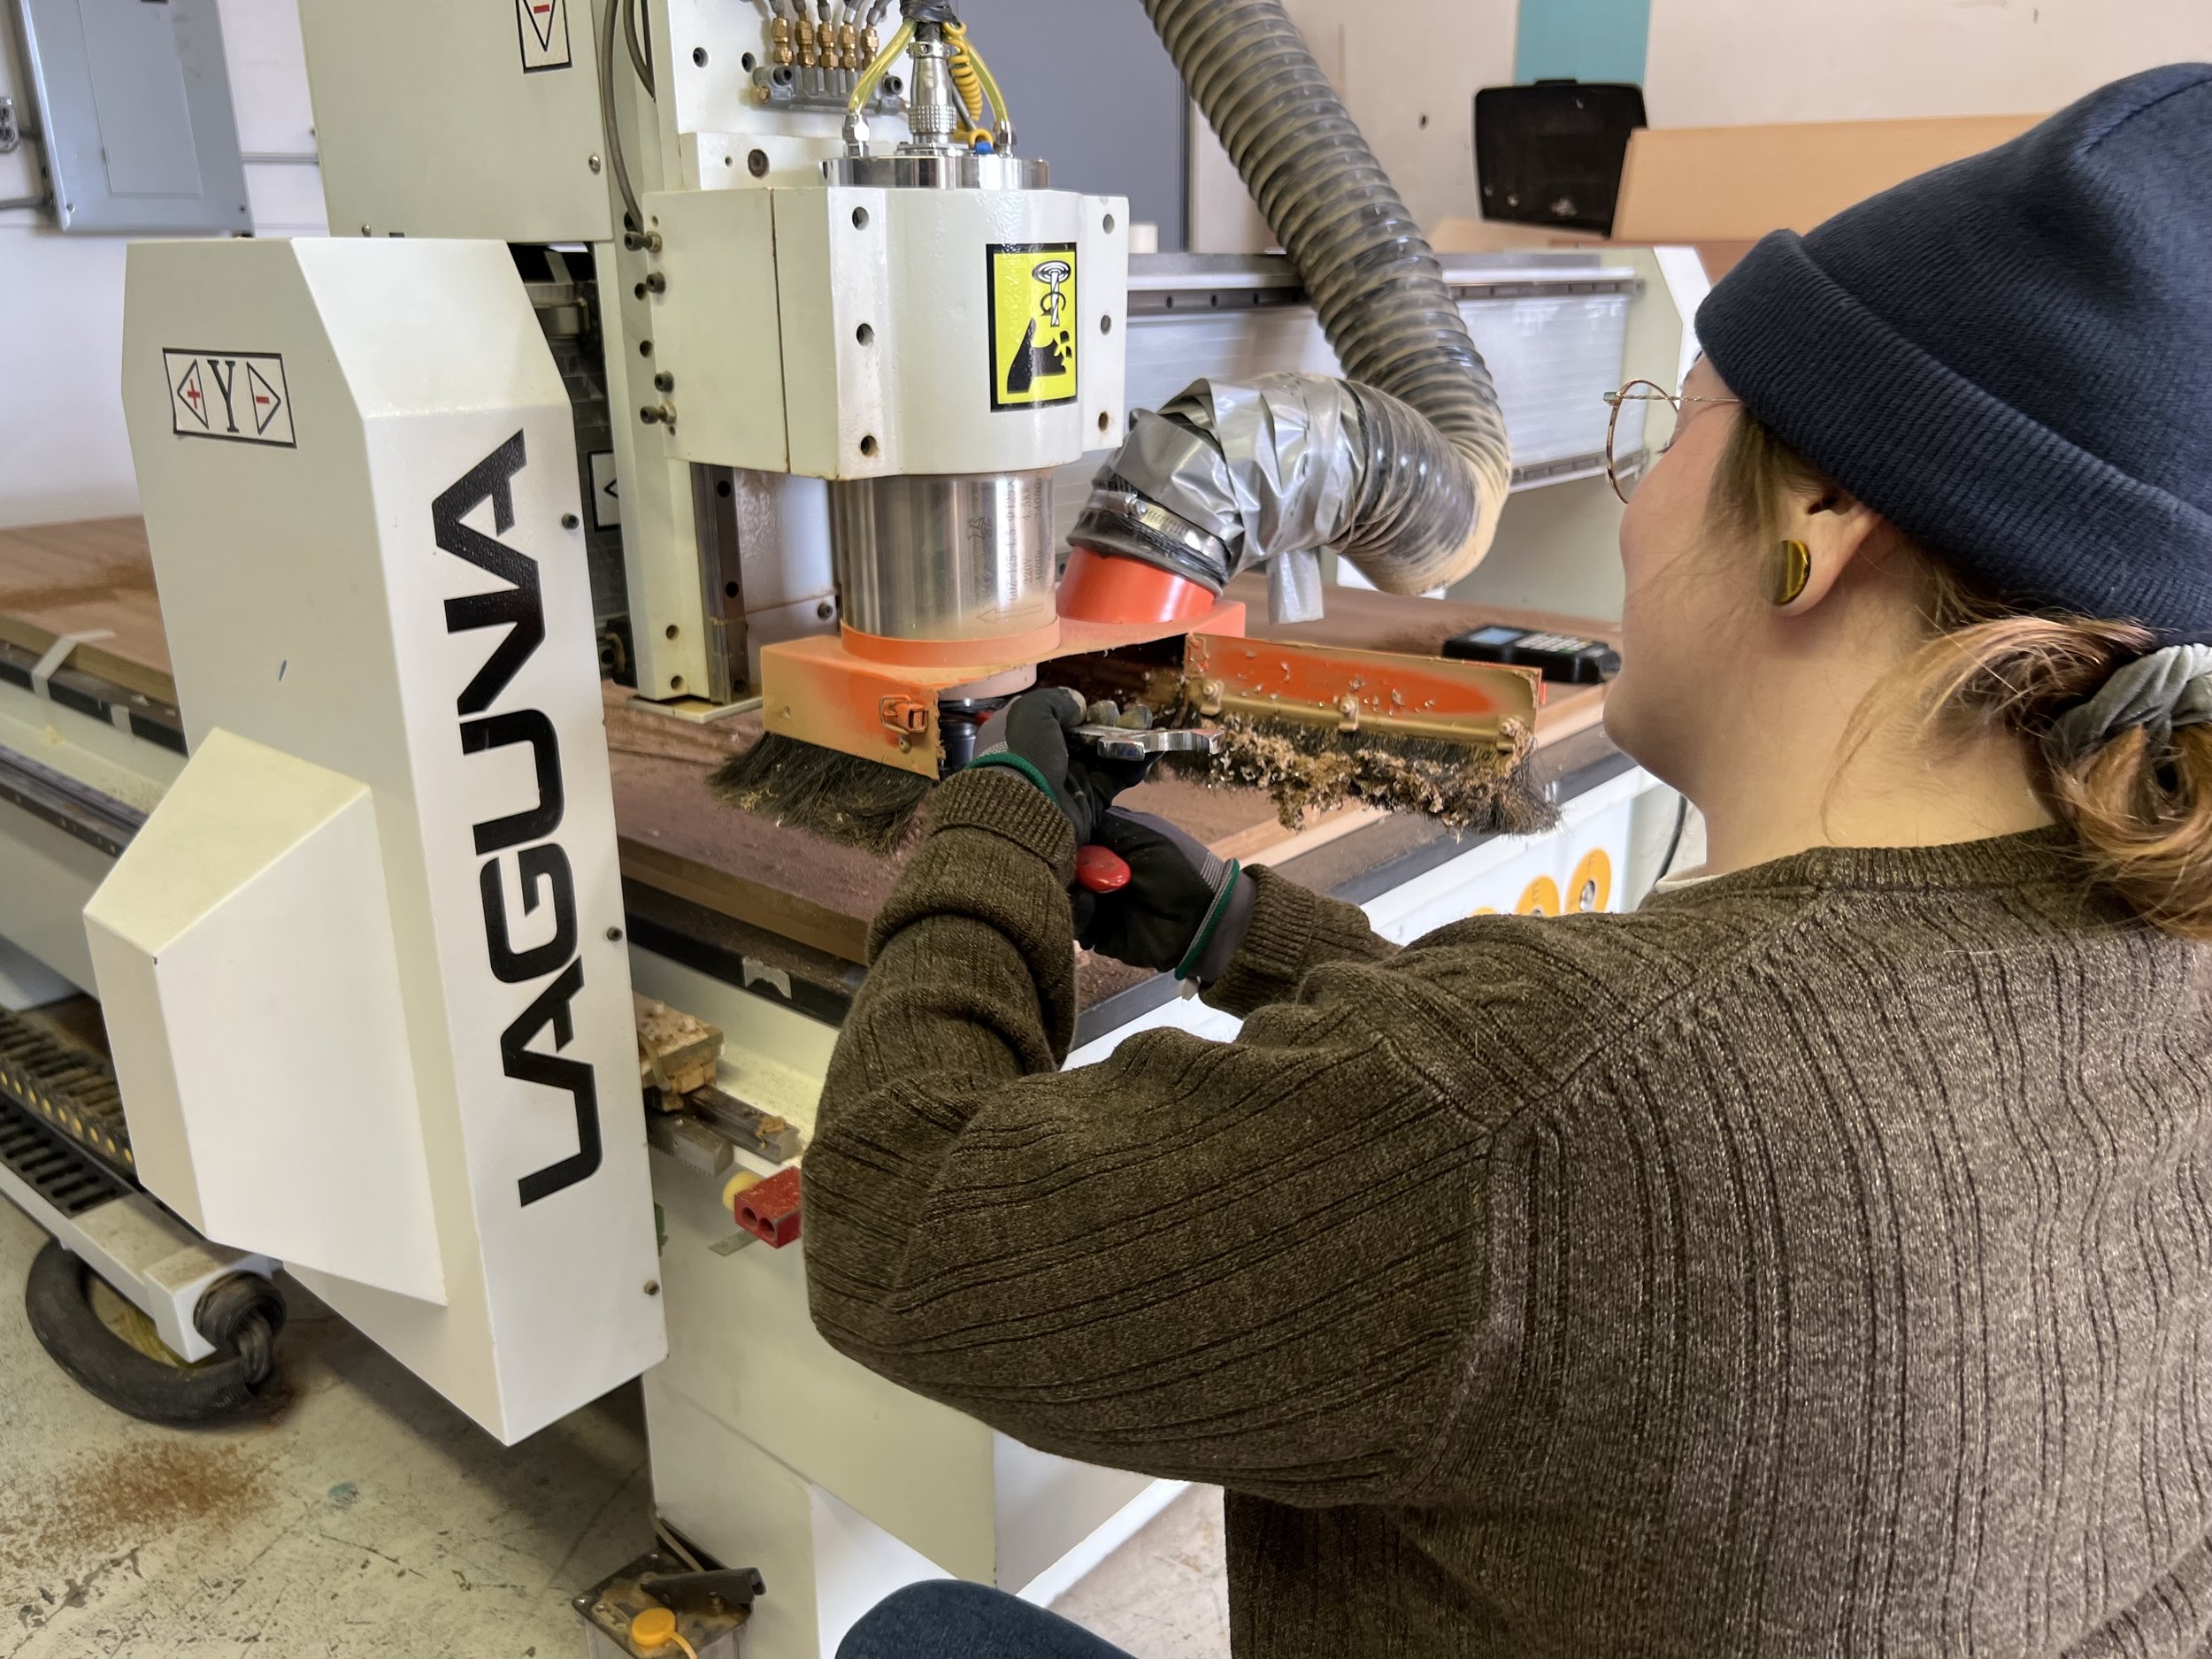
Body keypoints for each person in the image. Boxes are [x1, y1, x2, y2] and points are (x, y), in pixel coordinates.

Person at [815, 63, 2212, 1659]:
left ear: (1820, 511)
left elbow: (894, 1216)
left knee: (919, 1632)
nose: (1634, 502)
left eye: (1668, 429)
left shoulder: (1567, 1111)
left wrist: (993, 818)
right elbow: (1566, 1126)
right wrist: (1249, 935)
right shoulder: (2157, 944)